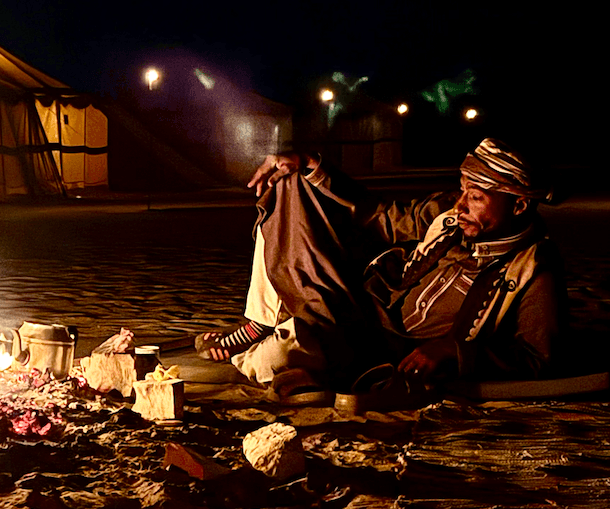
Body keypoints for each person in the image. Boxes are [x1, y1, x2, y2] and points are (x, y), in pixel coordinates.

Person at [195, 138, 567, 400]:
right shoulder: (448, 214)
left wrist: (453, 352)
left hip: (382, 352)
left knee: (278, 356)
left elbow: (536, 359)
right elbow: (384, 219)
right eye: (462, 190)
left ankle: (284, 344)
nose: (462, 204)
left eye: (476, 196)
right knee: (290, 182)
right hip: (358, 304)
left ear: (519, 206)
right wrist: (310, 163)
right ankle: (262, 323)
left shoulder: (534, 271)